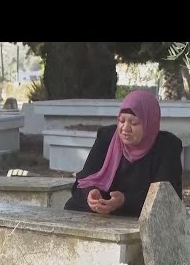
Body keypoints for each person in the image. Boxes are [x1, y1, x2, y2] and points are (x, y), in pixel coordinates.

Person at [64, 90, 182, 218]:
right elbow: (85, 178)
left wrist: (124, 201)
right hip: (103, 208)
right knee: (73, 206)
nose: (125, 128)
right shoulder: (107, 137)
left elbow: (167, 197)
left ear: (149, 123)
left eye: (134, 123)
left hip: (139, 212)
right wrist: (91, 194)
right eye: (121, 121)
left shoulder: (167, 146)